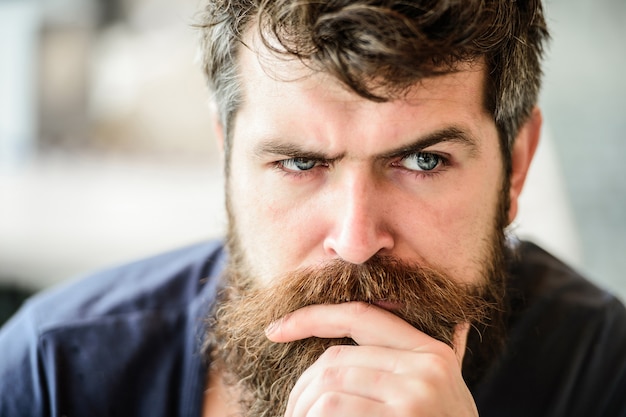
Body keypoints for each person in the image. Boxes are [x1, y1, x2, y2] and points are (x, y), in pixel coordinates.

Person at [1, 0, 625, 416]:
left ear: (516, 164)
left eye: (424, 162)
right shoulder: (52, 374)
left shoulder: (601, 370)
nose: (355, 240)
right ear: (227, 158)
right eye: (300, 164)